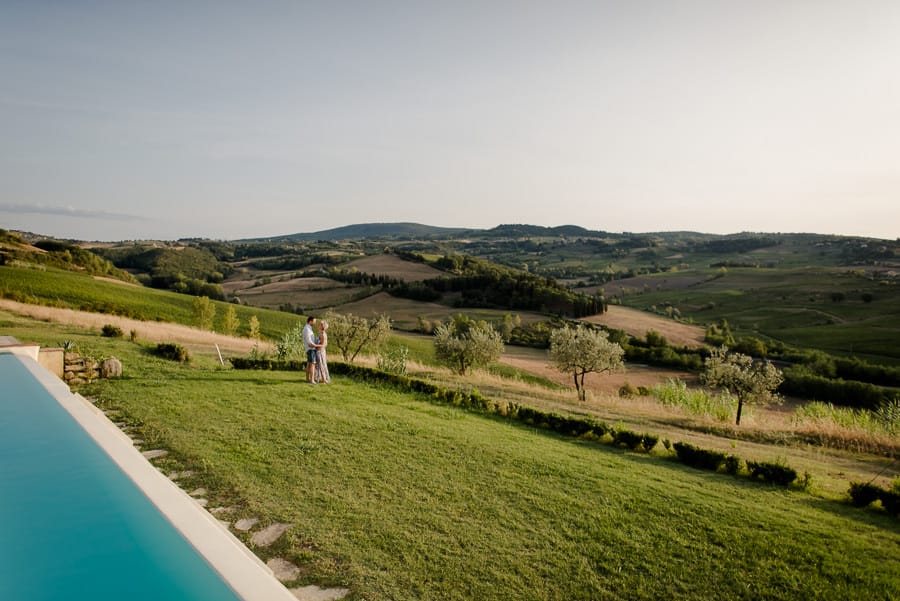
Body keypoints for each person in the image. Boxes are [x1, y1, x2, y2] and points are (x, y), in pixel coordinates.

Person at [302, 315, 317, 384]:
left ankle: (307, 379)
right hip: (311, 349)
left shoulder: (308, 328)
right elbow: (309, 341)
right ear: (310, 321)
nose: (315, 323)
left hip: (310, 348)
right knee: (312, 364)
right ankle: (312, 380)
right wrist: (316, 346)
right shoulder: (307, 329)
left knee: (309, 364)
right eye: (314, 321)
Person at [314, 320, 331, 384]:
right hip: (319, 351)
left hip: (320, 351)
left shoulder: (323, 334)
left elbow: (323, 345)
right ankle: (320, 378)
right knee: (319, 365)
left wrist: (314, 345)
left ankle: (324, 380)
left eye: (320, 324)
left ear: (322, 326)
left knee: (321, 365)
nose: (318, 325)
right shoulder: (320, 333)